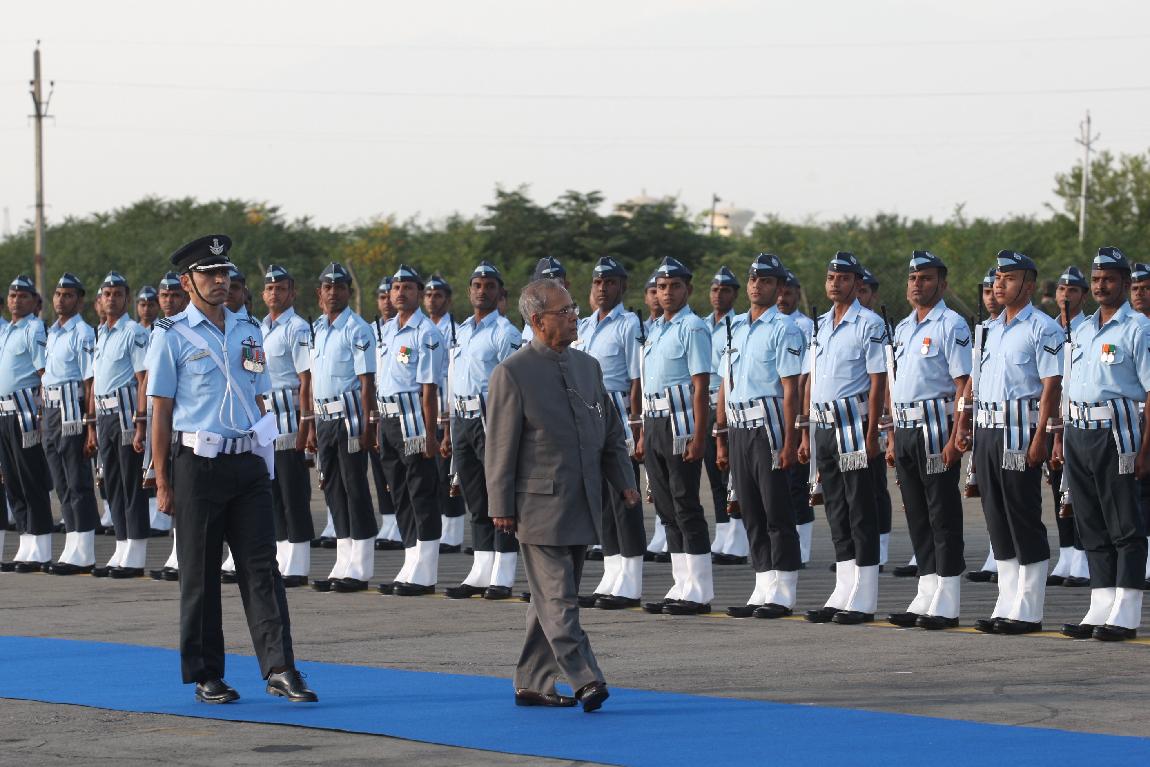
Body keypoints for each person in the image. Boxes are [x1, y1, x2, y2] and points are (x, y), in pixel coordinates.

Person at [148, 233, 316, 704]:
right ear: (187, 281)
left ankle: (280, 667)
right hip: (197, 464)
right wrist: (162, 480)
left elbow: (259, 396)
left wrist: (265, 455)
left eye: (224, 273)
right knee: (200, 573)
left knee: (262, 568)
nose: (220, 281)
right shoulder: (169, 335)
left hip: (247, 461)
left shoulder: (248, 330)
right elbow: (161, 411)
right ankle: (207, 675)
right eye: (209, 274)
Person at [486, 278, 636, 713]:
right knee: (560, 599)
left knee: (549, 599)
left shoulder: (587, 367)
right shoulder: (512, 372)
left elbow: (610, 430)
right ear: (537, 321)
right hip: (538, 506)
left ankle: (532, 683)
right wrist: (500, 505)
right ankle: (586, 677)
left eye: (574, 309)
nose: (574, 317)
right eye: (564, 311)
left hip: (582, 499)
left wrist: (624, 480)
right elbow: (500, 446)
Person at [959, 250, 1062, 635]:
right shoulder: (987, 329)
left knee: (1022, 515)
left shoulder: (1042, 327)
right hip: (987, 430)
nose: (1000, 284)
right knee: (996, 517)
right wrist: (963, 423)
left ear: (1029, 285)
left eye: (1010, 278)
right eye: (998, 278)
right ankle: (1006, 602)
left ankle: (1029, 608)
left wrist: (1042, 437)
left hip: (1021, 430)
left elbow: (1051, 386)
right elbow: (975, 383)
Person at [1051, 247, 1150, 641]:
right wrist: (1060, 437)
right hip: (1078, 431)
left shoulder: (1138, 328)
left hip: (1116, 432)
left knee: (1124, 523)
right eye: (1095, 279)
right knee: (1090, 523)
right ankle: (1101, 604)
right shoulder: (1082, 329)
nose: (1100, 286)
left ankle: (1126, 611)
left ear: (1124, 283)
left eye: (1108, 279)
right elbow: (1069, 387)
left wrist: (1146, 450)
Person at [884, 252, 971, 630]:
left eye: (927, 278)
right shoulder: (903, 328)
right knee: (917, 513)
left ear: (943, 284)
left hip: (936, 427)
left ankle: (947, 599)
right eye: (913, 278)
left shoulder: (952, 324)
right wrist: (891, 436)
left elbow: (964, 383)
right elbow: (895, 384)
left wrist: (958, 433)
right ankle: (926, 591)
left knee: (942, 512)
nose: (918, 284)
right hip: (905, 428)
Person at [715, 254, 804, 618]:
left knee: (776, 509)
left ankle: (784, 589)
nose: (757, 286)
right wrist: (720, 434)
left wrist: (789, 441)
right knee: (750, 509)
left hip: (769, 424)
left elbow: (791, 388)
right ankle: (763, 583)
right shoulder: (735, 326)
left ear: (779, 287)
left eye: (765, 281)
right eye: (753, 280)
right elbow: (725, 382)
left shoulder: (785, 328)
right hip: (738, 424)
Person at [800, 252, 886, 625]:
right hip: (822, 425)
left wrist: (873, 432)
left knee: (859, 508)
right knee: (835, 508)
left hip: (853, 424)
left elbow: (879, 381)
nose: (836, 283)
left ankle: (864, 595)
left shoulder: (869, 324)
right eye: (831, 277)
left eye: (844, 278)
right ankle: (843, 588)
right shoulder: (818, 325)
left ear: (856, 283)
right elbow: (810, 380)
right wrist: (805, 431)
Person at [442, 261, 523, 600]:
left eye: (489, 286)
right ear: (469, 291)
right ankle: (480, 569)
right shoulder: (461, 330)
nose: (482, 291)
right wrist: (447, 426)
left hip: (491, 419)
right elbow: (453, 378)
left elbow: (515, 384)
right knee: (475, 497)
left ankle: (503, 573)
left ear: (500, 293)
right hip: (462, 418)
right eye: (477, 285)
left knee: (499, 496)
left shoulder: (505, 332)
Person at [638, 256, 714, 616]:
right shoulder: (656, 329)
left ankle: (699, 589)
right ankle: (680, 584)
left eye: (674, 286)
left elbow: (700, 386)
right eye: (661, 287)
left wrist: (699, 435)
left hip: (680, 422)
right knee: (666, 508)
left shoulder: (693, 327)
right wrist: (643, 432)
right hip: (654, 422)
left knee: (685, 504)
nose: (666, 293)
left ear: (688, 289)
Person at [573, 256, 646, 609]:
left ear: (622, 286)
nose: (603, 289)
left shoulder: (629, 324)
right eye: (598, 282)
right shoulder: (585, 326)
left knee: (624, 496)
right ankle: (612, 572)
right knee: (602, 499)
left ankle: (631, 578)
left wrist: (636, 424)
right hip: (590, 416)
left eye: (610, 282)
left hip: (618, 415)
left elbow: (637, 378)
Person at [374, 264, 446, 596]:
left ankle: (426, 570)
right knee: (399, 492)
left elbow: (429, 390)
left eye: (408, 287)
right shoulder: (387, 330)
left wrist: (431, 435)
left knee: (421, 492)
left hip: (413, 418)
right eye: (396, 287)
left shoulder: (426, 333)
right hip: (388, 418)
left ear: (418, 292)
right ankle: (410, 561)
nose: (400, 293)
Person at [306, 262, 378, 593]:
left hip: (350, 416)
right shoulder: (317, 329)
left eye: (339, 287)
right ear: (319, 293)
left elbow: (366, 382)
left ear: (349, 291)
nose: (333, 292)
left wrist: (368, 425)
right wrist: (310, 424)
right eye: (328, 287)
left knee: (354, 487)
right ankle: (343, 561)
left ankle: (360, 566)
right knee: (332, 487)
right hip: (324, 417)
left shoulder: (357, 329)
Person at [89, 271, 151, 579]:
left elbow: (143, 378)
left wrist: (141, 423)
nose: (111, 299)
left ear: (127, 298)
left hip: (126, 413)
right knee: (111, 482)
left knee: (130, 483)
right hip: (104, 415)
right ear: (100, 299)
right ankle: (121, 545)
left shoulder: (133, 332)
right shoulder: (101, 332)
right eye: (107, 294)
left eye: (117, 294)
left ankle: (136, 551)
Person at [261, 265, 315, 587]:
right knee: (273, 494)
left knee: (294, 492)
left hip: (291, 418)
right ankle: (281, 557)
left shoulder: (297, 328)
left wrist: (307, 423)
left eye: (280, 288)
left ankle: (299, 560)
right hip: (267, 421)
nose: (274, 294)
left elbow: (306, 379)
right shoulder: (260, 328)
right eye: (269, 288)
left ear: (292, 293)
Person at [43, 273, 99, 576]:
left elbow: (90, 381)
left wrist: (90, 424)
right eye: (58, 294)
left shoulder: (83, 333)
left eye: (68, 295)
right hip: (51, 410)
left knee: (77, 479)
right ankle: (72, 542)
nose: (61, 299)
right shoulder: (53, 332)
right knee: (61, 481)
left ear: (79, 300)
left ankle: (85, 548)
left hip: (71, 408)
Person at [0, 275, 54, 572]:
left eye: (23, 296)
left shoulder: (34, 329)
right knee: (13, 480)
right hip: (3, 412)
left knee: (31, 477)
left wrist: (43, 413)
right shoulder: (6, 330)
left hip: (25, 411)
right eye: (12, 295)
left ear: (35, 301)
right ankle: (26, 542)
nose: (16, 300)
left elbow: (45, 373)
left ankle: (41, 546)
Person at [1046, 267, 1090, 589]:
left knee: (1082, 491)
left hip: (1079, 417)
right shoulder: (1048, 328)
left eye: (1073, 290)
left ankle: (1083, 557)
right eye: (1062, 289)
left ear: (1083, 296)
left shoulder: (1088, 329)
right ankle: (1066, 554)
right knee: (1058, 487)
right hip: (1052, 418)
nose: (1065, 295)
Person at [965, 265, 1006, 584]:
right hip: (984, 420)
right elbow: (973, 380)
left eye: (995, 290)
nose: (990, 297)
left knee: (1012, 498)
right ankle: (997, 554)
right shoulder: (984, 330)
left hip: (1012, 423)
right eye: (986, 291)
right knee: (990, 497)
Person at [705, 266, 747, 565]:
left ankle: (739, 537)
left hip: (727, 403)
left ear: (735, 294)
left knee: (731, 473)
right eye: (715, 289)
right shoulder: (701, 325)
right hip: (704, 405)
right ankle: (723, 534)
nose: (719, 295)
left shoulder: (738, 325)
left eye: (726, 290)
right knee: (713, 473)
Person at [150, 271, 190, 583]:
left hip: (189, 423)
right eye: (164, 295)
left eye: (175, 295)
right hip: (168, 421)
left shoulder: (188, 330)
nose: (169, 301)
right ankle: (179, 552)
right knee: (172, 488)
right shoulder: (160, 331)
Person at [776, 269, 817, 566]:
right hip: (770, 412)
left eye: (787, 293)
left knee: (796, 485)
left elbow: (804, 379)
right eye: (779, 292)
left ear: (796, 294)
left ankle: (802, 547)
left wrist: (802, 422)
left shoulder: (804, 326)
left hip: (795, 410)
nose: (782, 298)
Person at [423, 273, 466, 551]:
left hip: (446, 410)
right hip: (425, 412)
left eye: (437, 295)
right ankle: (439, 527)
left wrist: (450, 421)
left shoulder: (456, 331)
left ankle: (453, 531)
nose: (432, 300)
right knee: (429, 476)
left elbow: (454, 375)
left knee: (448, 474)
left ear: (448, 300)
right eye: (428, 295)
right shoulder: (420, 329)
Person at [856, 267, 895, 567]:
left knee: (875, 482)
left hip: (876, 415)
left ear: (873, 294)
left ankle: (880, 546)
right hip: (847, 417)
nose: (859, 296)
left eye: (864, 291)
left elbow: (887, 380)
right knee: (853, 488)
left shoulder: (879, 327)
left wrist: (886, 421)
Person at [370, 275, 404, 552]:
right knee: (381, 470)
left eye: (389, 296)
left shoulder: (402, 330)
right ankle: (389, 520)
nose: (387, 303)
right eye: (382, 297)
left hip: (402, 409)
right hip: (378, 406)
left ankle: (401, 524)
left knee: (403, 473)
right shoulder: (372, 331)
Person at [641, 270, 670, 562]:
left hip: (675, 414)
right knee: (657, 485)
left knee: (678, 491)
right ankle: (662, 534)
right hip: (650, 412)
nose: (660, 295)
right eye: (656, 289)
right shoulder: (649, 329)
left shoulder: (690, 326)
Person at [521, 257, 569, 344]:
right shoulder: (529, 325)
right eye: (547, 286)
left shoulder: (578, 326)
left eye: (559, 283)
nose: (554, 291)